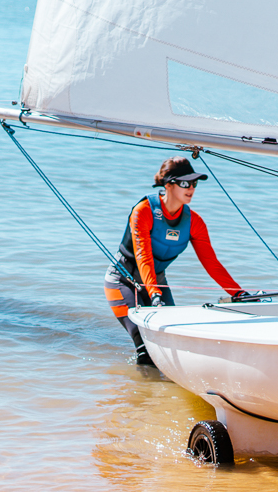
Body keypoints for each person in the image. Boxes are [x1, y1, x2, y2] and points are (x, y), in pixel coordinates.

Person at [104, 156, 247, 365]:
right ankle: (142, 395)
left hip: (157, 283)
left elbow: (212, 263)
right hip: (122, 281)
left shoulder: (194, 222)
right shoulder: (143, 211)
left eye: (194, 183)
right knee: (146, 350)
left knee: (171, 347)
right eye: (184, 183)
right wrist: (154, 294)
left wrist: (239, 293)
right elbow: (143, 257)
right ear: (168, 184)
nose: (191, 188)